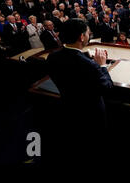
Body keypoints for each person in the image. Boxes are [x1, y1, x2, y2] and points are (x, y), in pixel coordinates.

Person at [46, 18, 114, 162]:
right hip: (92, 114)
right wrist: (101, 65)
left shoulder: (52, 57)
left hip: (68, 108)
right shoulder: (90, 66)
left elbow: (70, 62)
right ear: (81, 37)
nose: (89, 35)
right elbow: (107, 87)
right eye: (88, 33)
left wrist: (84, 55)